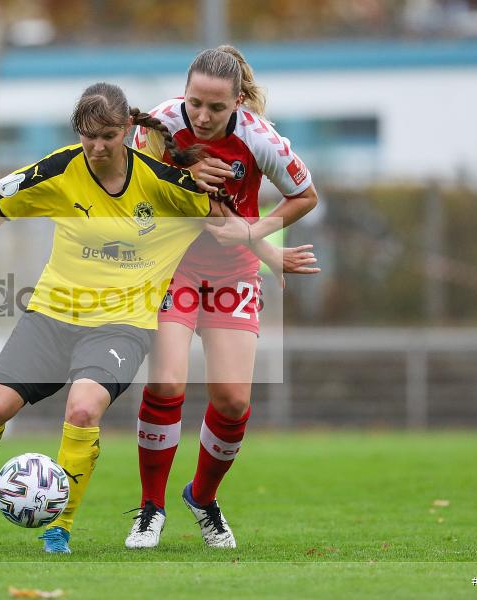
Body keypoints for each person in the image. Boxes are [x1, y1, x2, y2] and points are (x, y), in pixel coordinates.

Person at [0, 81, 300, 555]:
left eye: (107, 136)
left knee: (83, 408)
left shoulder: (163, 183)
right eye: (88, 136)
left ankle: (60, 527)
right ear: (77, 132)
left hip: (123, 325)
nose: (98, 147)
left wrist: (271, 253)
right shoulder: (59, 169)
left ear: (126, 130)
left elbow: (224, 221)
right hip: (52, 316)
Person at [125, 46, 320, 550]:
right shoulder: (160, 125)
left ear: (238, 102)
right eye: (195, 104)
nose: (203, 116)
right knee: (167, 383)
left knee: (232, 401)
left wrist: (253, 233)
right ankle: (151, 508)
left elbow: (306, 196)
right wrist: (183, 185)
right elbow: (132, 192)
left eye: (216, 107)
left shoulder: (260, 139)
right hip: (173, 268)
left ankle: (203, 498)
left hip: (232, 275)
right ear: (183, 94)